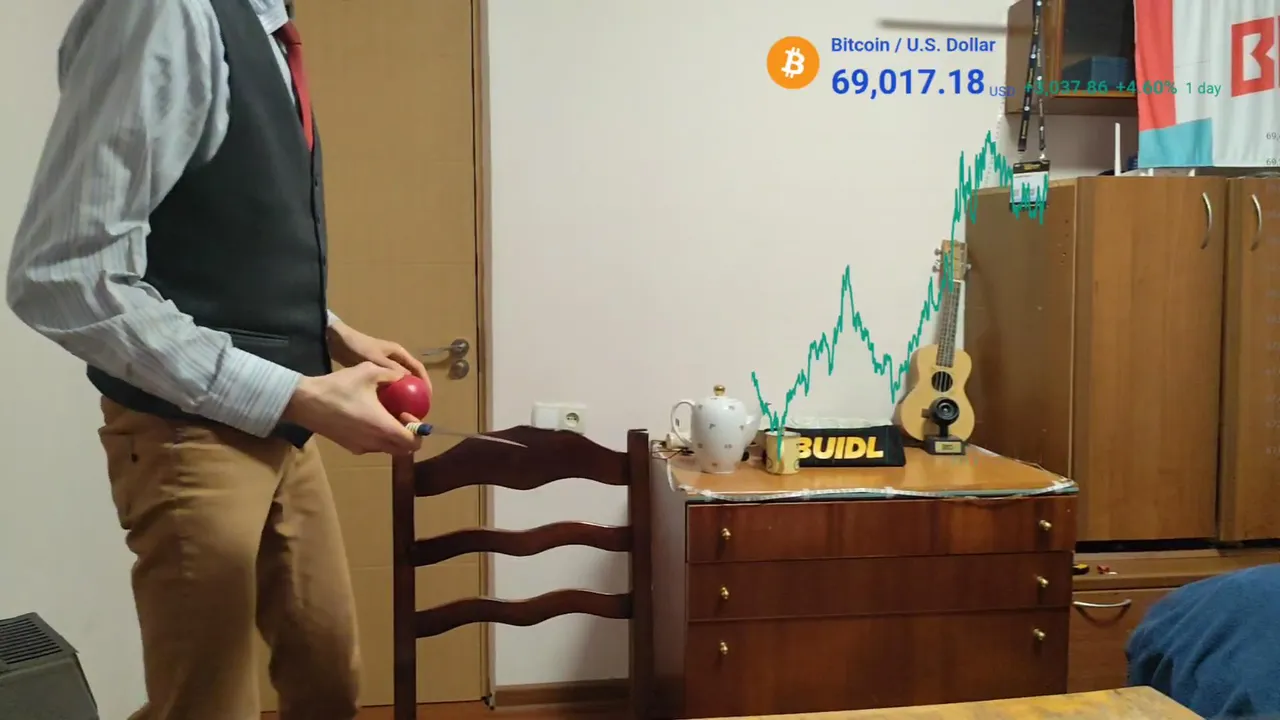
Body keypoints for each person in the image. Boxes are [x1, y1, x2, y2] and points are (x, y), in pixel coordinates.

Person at [5, 0, 428, 718]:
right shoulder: (162, 11)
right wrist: (295, 395)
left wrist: (327, 330)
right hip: (188, 433)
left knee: (328, 683)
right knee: (208, 704)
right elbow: (60, 274)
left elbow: (217, 234)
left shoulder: (264, 20)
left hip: (283, 420)